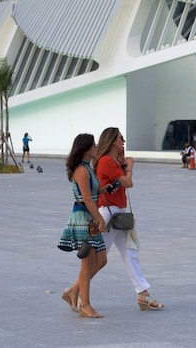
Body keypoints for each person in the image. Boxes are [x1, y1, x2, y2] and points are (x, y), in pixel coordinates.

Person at [95, 127, 164, 311]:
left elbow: (126, 183)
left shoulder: (114, 162)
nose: (123, 141)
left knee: (130, 252)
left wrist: (124, 165)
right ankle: (76, 289)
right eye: (120, 138)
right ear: (111, 141)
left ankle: (143, 293)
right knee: (98, 258)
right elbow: (127, 182)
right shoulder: (106, 161)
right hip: (109, 213)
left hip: (120, 213)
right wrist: (130, 167)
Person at [58, 133, 108, 318]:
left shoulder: (87, 168)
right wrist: (100, 219)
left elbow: (90, 193)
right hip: (84, 219)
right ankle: (85, 305)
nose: (97, 148)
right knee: (87, 263)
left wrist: (104, 189)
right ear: (87, 149)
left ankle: (73, 291)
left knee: (101, 260)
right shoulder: (82, 169)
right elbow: (86, 198)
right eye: (94, 146)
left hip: (90, 219)